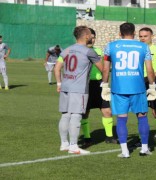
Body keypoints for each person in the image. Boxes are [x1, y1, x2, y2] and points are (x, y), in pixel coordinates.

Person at [102, 22, 156, 158]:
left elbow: (105, 68)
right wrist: (152, 86)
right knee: (142, 117)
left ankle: (125, 151)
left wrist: (104, 85)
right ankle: (144, 148)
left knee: (121, 119)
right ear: (134, 33)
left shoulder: (110, 46)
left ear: (120, 33)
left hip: (118, 88)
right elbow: (149, 70)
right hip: (138, 87)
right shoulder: (143, 47)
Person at [54, 25, 103, 155]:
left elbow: (57, 68)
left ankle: (64, 144)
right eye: (90, 35)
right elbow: (103, 68)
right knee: (76, 115)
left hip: (65, 86)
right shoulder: (89, 51)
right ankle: (74, 146)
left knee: (65, 115)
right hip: (79, 89)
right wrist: (106, 83)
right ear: (86, 36)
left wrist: (59, 83)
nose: (92, 37)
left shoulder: (67, 50)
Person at [80, 28, 117, 147]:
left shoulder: (99, 51)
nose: (92, 39)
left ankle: (109, 136)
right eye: (90, 36)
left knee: (107, 111)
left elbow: (104, 67)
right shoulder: (79, 51)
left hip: (99, 85)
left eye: (94, 37)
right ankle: (87, 137)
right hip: (84, 85)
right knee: (85, 113)